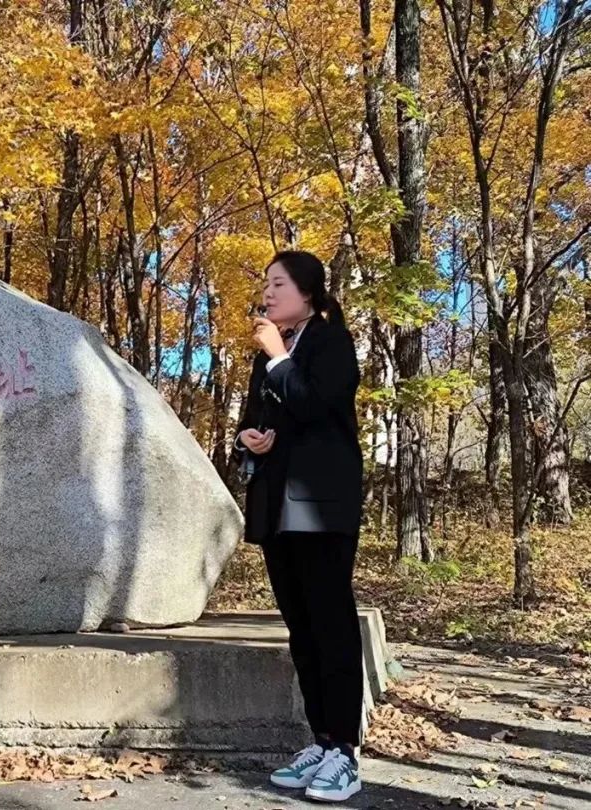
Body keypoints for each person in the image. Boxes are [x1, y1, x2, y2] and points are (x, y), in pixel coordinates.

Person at [233, 250, 365, 802]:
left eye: (278, 284)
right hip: (277, 505)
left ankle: (346, 756)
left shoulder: (332, 343)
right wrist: (249, 439)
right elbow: (252, 418)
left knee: (331, 624)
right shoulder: (268, 355)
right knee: (300, 626)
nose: (267, 294)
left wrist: (278, 356)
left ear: (308, 293)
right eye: (266, 284)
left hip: (321, 505)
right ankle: (322, 738)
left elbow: (317, 407)